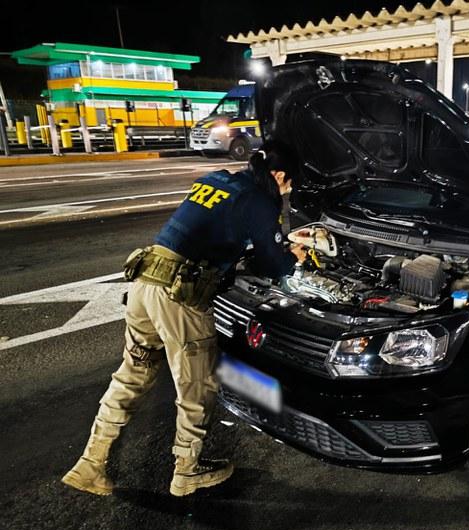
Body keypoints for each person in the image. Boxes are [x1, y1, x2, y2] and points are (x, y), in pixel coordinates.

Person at [62, 141, 306, 497]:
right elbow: (272, 264)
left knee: (132, 374)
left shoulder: (216, 179)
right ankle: (187, 470)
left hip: (145, 283)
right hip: (179, 297)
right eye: (290, 184)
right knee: (197, 385)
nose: (288, 191)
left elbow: (213, 231)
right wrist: (294, 256)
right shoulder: (260, 200)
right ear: (280, 175)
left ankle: (90, 463)